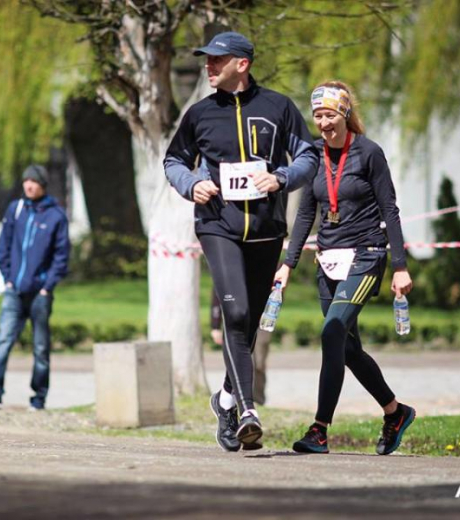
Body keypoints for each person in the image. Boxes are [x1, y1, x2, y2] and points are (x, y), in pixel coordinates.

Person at [164, 31, 319, 451]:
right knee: (236, 314)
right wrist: (192, 183)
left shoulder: (278, 108)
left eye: (217, 60)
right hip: (218, 226)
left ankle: (226, 400)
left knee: (248, 322)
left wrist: (281, 177)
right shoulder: (199, 114)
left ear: (242, 64)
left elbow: (308, 155)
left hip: (267, 229)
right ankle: (248, 410)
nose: (208, 66)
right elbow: (174, 159)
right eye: (207, 60)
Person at [275, 81, 415, 455]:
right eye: (317, 115)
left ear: (346, 114)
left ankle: (319, 430)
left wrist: (399, 265)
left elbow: (390, 210)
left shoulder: (369, 153)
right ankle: (395, 412)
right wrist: (287, 264)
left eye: (330, 114)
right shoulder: (314, 156)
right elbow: (307, 212)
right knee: (347, 349)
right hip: (328, 260)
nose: (323, 122)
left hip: (367, 255)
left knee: (332, 331)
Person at [0, 164, 70, 411]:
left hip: (40, 294)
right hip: (14, 292)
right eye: (26, 181)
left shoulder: (56, 216)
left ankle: (38, 398)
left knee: (40, 348)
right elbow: (3, 246)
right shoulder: (16, 210)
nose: (28, 185)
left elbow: (61, 256)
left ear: (42, 185)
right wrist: (8, 279)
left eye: (34, 181)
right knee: (2, 342)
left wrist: (47, 287)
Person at [210, 288, 271, 405]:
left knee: (259, 363)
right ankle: (238, 399)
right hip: (239, 314)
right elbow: (218, 290)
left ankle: (258, 400)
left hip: (263, 315)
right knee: (240, 360)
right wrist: (215, 324)